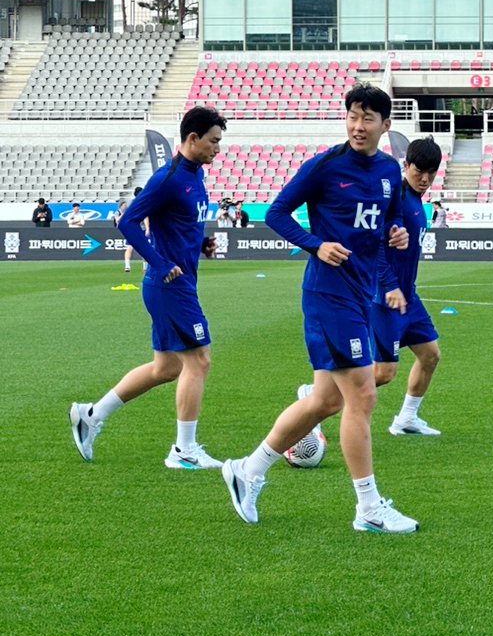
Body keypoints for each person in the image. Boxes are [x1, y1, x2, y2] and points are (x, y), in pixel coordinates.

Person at [222, 83, 416, 533]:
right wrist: (316, 244)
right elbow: (276, 212)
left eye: (368, 118)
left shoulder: (389, 171)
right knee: (363, 395)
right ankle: (368, 508)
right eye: (352, 115)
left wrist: (396, 235)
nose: (357, 125)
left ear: (386, 125)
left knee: (327, 400)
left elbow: (385, 225)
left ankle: (246, 471)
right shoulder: (326, 166)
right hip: (328, 295)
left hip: (359, 294)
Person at [68, 106, 227, 470]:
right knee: (199, 360)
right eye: (214, 141)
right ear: (193, 138)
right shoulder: (168, 178)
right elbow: (126, 222)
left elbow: (179, 225)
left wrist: (200, 246)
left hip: (178, 283)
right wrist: (159, 262)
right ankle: (184, 451)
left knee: (167, 368)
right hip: (169, 285)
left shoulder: (195, 175)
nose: (218, 148)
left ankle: (90, 415)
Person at [371, 137, 443, 436]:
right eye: (418, 171)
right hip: (385, 296)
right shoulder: (395, 198)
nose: (425, 179)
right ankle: (316, 392)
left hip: (408, 296)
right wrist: (388, 285)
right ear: (406, 166)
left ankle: (406, 418)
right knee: (383, 373)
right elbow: (373, 245)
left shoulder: (417, 201)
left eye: (431, 173)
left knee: (430, 355)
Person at [123, 186, 144, 273]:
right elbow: (145, 216)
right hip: (140, 227)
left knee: (129, 247)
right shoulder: (143, 202)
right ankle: (145, 266)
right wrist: (148, 227)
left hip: (131, 227)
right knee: (143, 247)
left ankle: (127, 266)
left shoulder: (130, 203)